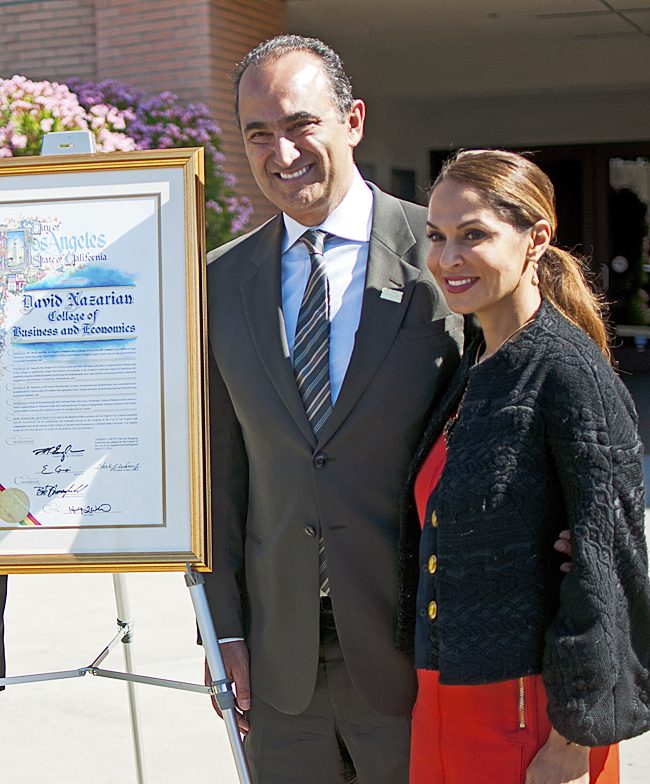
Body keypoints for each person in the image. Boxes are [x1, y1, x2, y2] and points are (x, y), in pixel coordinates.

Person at [203, 35, 462, 783]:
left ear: (353, 120)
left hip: (418, 646)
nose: (281, 153)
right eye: (259, 134)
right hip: (277, 663)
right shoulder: (218, 283)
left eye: (300, 124)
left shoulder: (447, 256)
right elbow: (218, 477)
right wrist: (222, 632)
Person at [396, 149, 650, 784]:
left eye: (473, 235)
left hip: (529, 716)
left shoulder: (567, 371)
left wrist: (572, 743)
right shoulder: (474, 360)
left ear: (536, 238)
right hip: (444, 696)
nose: (448, 258)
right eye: (438, 237)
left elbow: (611, 567)